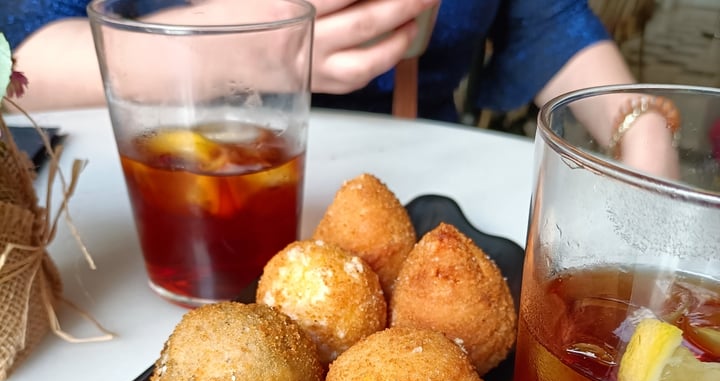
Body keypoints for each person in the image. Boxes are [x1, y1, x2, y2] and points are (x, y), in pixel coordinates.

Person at [5, 0, 678, 161]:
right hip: (181, 186)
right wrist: (241, 47)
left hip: (427, 177)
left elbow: (548, 25)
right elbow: (21, 64)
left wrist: (640, 128)